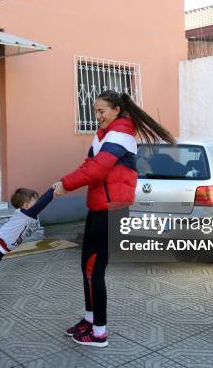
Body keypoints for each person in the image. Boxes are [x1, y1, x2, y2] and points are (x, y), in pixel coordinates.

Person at [53, 90, 176, 347]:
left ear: (116, 110)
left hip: (112, 210)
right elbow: (88, 166)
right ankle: (89, 319)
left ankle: (99, 333)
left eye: (101, 111)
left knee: (95, 270)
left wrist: (66, 184)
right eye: (95, 111)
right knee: (86, 266)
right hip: (99, 207)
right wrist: (66, 182)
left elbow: (97, 170)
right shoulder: (103, 135)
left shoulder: (120, 134)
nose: (97, 116)